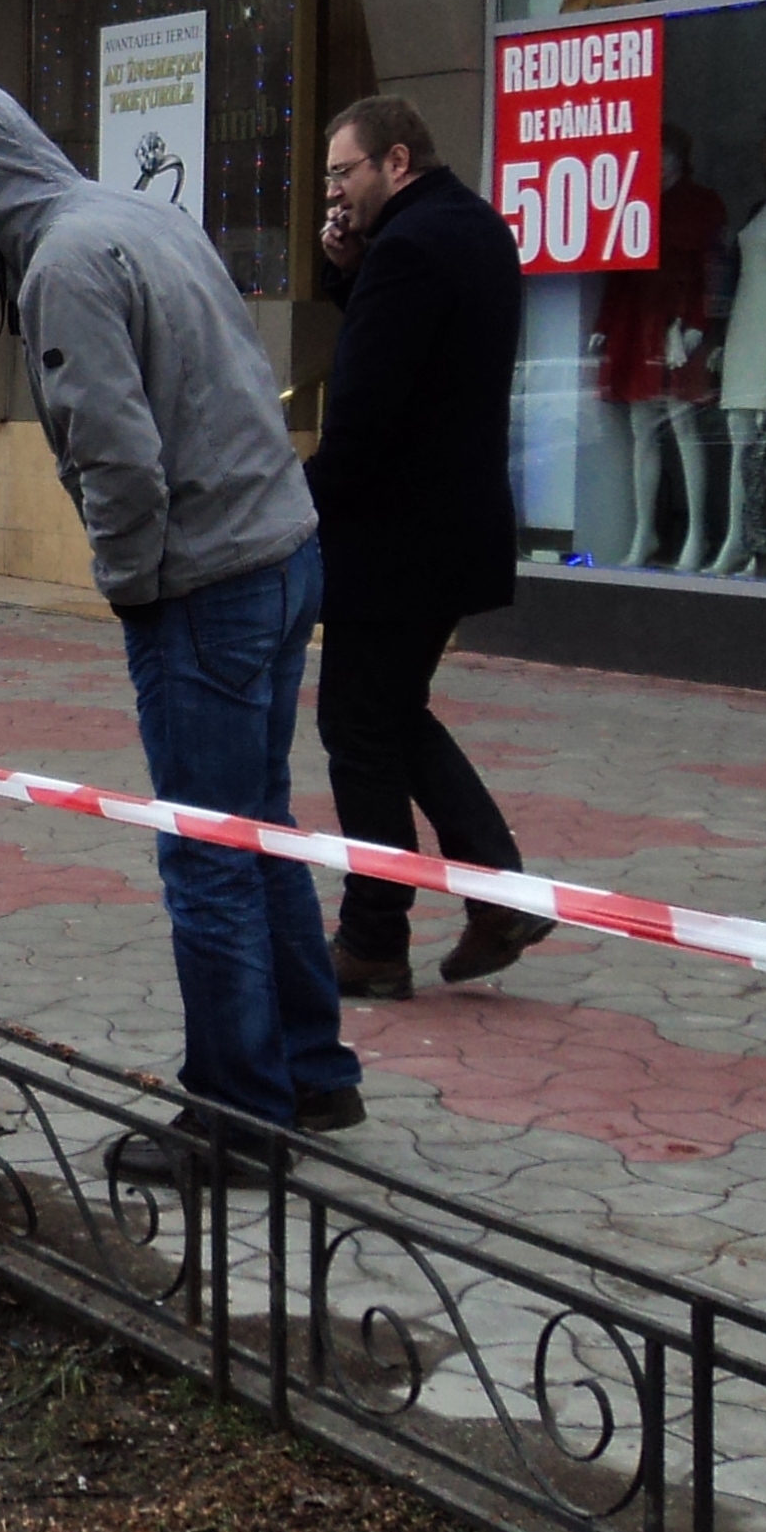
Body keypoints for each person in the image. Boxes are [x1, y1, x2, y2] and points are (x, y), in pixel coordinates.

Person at [0, 83, 360, 1152]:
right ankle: (311, 1071)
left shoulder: (62, 265)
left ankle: (237, 1114)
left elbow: (117, 455)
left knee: (204, 852)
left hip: (205, 582)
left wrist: (128, 584)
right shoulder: (141, 219)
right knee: (257, 827)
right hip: (281, 549)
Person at [307, 96, 546, 1002]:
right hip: (454, 529)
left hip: (395, 540)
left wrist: (298, 512)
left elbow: (369, 412)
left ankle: (373, 939)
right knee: (393, 713)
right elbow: (431, 353)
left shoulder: (407, 250)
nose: (334, 192)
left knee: (358, 727)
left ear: (394, 161)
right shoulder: (475, 227)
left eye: (343, 172)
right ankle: (498, 891)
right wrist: (347, 274)